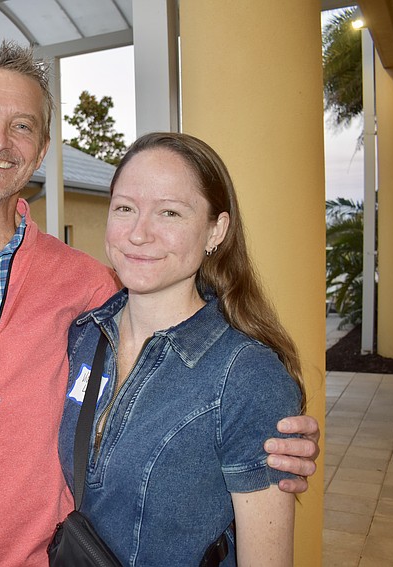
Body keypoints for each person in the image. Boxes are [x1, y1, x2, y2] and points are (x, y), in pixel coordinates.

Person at [0, 41, 320, 566]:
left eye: (23, 125)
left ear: (42, 148)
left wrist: (265, 425)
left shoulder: (88, 286)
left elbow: (181, 316)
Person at [58, 132, 309, 566]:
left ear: (216, 230)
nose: (139, 234)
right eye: (125, 208)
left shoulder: (248, 377)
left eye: (170, 212)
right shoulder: (84, 337)